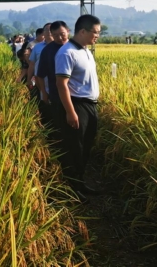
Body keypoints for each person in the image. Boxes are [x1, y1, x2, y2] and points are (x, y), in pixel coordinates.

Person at [55, 14, 102, 199]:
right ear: (82, 31)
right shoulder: (67, 53)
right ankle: (71, 190)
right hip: (77, 105)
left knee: (86, 146)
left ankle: (80, 183)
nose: (97, 36)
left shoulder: (86, 51)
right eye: (95, 32)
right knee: (75, 147)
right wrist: (70, 112)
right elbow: (61, 84)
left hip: (90, 106)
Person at [35, 21, 70, 141]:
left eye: (62, 34)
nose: (59, 38)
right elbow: (40, 75)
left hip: (76, 95)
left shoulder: (76, 47)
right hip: (56, 95)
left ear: (68, 31)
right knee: (60, 125)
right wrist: (44, 93)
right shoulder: (48, 51)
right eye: (55, 35)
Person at [27, 23, 53, 98]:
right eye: (46, 30)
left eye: (51, 29)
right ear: (43, 33)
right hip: (40, 82)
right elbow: (32, 64)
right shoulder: (37, 47)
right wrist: (28, 79)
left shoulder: (61, 46)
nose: (49, 31)